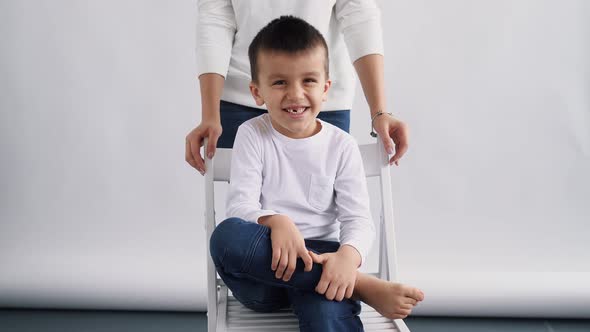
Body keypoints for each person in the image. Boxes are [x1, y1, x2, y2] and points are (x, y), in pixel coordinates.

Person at [209, 16, 424, 332]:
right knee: (226, 236)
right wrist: (276, 221)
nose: (295, 94)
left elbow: (358, 221)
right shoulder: (251, 134)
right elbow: (240, 207)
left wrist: (348, 258)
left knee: (327, 316)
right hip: (266, 270)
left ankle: (344, 278)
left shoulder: (341, 145)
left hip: (328, 263)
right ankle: (362, 286)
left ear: (325, 89)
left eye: (308, 81)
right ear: (257, 92)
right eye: (280, 82)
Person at [186, 0, 410, 175]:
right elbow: (215, 17)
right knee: (251, 205)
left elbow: (359, 15)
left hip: (321, 102)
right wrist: (209, 115)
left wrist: (379, 111)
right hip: (242, 98)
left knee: (322, 209)